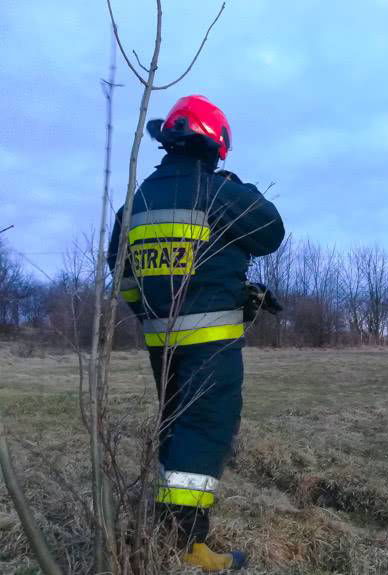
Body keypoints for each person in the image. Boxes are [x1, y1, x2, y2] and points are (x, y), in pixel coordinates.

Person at [107, 95, 284, 571]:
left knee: (176, 425)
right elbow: (270, 232)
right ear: (214, 145)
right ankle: (188, 546)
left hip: (157, 341)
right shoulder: (216, 191)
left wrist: (152, 315)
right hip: (210, 343)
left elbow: (121, 276)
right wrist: (234, 186)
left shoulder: (135, 202)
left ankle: (165, 526)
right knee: (204, 433)